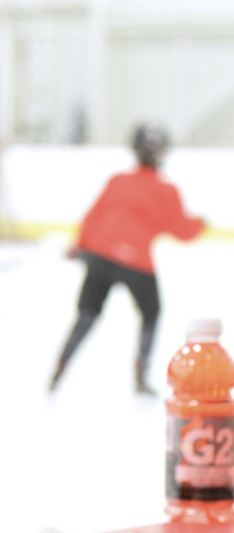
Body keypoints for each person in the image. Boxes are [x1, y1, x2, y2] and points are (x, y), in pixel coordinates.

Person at [49, 124, 204, 396]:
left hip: (100, 256)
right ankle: (141, 376)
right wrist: (201, 224)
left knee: (86, 316)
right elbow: (182, 230)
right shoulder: (166, 190)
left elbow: (93, 215)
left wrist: (79, 245)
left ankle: (59, 370)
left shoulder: (118, 180)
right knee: (151, 313)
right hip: (138, 263)